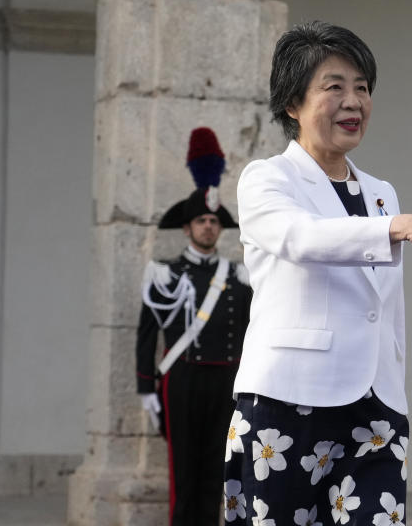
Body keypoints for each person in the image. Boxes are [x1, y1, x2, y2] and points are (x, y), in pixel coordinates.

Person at [221, 21, 412, 525]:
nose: (353, 101)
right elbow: (301, 238)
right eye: (334, 87)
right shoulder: (267, 179)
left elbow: (383, 306)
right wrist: (400, 226)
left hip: (376, 408)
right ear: (292, 104)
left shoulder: (381, 193)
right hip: (287, 404)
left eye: (362, 88)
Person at [136, 127, 253, 526]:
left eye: (213, 221)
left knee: (218, 472)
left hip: (227, 383)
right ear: (186, 228)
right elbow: (147, 334)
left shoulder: (239, 277)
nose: (208, 227)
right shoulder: (165, 275)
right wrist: (145, 386)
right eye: (201, 221)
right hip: (182, 379)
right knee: (183, 472)